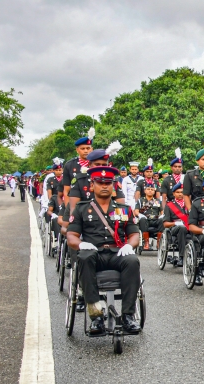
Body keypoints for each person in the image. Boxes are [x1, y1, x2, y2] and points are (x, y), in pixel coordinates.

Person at [66, 166, 141, 335]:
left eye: (108, 182)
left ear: (113, 185)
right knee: (84, 257)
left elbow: (134, 234)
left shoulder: (123, 209)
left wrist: (129, 245)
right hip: (94, 253)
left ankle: (128, 316)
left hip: (117, 253)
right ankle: (96, 316)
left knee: (132, 260)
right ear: (92, 185)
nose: (105, 186)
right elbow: (71, 235)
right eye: (100, 182)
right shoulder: (81, 208)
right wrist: (80, 244)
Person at [62, 128, 94, 202]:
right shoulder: (69, 165)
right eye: (82, 148)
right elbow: (66, 191)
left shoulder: (97, 164)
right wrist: (68, 208)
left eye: (88, 148)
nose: (86, 151)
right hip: (76, 203)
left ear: (92, 149)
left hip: (94, 202)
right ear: (77, 150)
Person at [163, 182, 190, 267]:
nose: (180, 194)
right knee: (181, 228)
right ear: (174, 193)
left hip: (189, 226)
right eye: (178, 192)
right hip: (175, 228)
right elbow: (165, 224)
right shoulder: (169, 205)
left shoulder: (189, 204)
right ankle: (182, 257)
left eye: (182, 192)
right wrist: (175, 223)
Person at [134, 184, 164, 251]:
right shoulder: (140, 200)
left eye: (152, 189)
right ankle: (146, 242)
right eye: (148, 189)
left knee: (162, 220)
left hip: (156, 220)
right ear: (145, 191)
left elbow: (162, 212)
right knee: (142, 219)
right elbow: (136, 211)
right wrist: (140, 215)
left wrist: (162, 216)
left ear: (154, 191)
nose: (150, 191)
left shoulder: (158, 201)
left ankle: (159, 242)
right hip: (145, 220)